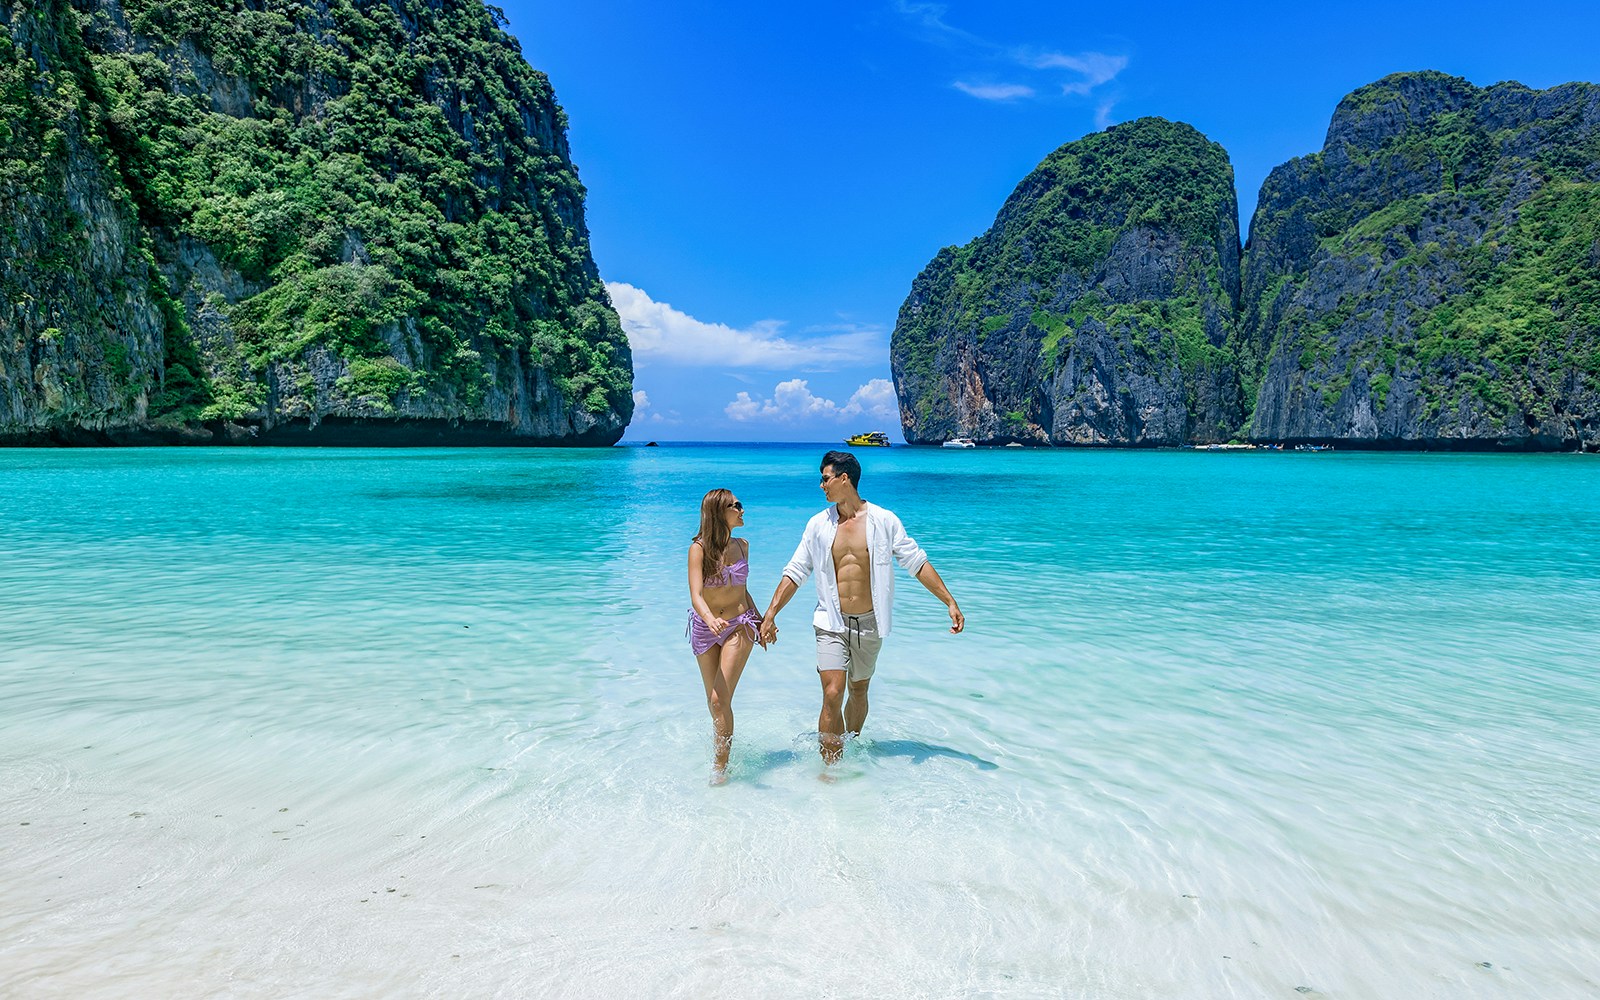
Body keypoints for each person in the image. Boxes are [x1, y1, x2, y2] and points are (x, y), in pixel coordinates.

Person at [759, 451, 963, 763]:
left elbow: (916, 562)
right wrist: (771, 612)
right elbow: (796, 571)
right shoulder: (818, 525)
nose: (821, 485)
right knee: (832, 693)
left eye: (825, 478)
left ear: (845, 479)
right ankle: (830, 768)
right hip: (830, 621)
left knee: (858, 691)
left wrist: (949, 601)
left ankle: (850, 751)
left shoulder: (884, 520)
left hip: (870, 623)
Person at [687, 488, 770, 784]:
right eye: (736, 506)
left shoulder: (743, 545)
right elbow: (696, 594)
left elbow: (742, 591)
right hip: (704, 628)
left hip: (738, 625)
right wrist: (709, 620)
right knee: (714, 703)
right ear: (719, 513)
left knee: (720, 700)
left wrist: (762, 622)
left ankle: (720, 767)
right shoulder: (698, 549)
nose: (742, 510)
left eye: (740, 503)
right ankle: (722, 749)